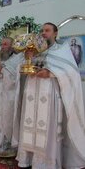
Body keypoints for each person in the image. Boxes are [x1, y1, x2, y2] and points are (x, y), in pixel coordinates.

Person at [12, 22, 85, 168]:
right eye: (42, 30)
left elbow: (71, 72)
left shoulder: (62, 49)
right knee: (29, 125)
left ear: (55, 33)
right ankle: (29, 160)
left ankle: (46, 164)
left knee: (47, 130)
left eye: (47, 30)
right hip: (32, 94)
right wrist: (27, 59)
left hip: (49, 94)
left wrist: (51, 73)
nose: (44, 33)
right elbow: (22, 69)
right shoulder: (35, 50)